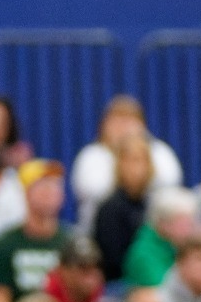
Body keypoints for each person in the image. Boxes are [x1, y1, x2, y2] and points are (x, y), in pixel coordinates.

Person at [70, 95, 183, 232]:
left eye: (129, 121)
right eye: (117, 121)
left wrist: (137, 146)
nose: (123, 128)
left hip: (152, 230)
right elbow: (94, 188)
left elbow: (170, 181)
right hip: (97, 231)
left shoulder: (158, 151)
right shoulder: (92, 154)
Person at [0, 159, 70, 302]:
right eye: (43, 186)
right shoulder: (5, 244)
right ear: (25, 193)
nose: (50, 191)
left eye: (55, 185)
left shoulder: (72, 241)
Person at [125, 188, 201, 291]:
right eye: (184, 222)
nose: (192, 227)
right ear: (164, 224)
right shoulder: (143, 255)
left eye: (192, 221)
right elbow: (165, 295)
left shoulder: (182, 245)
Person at [93, 133, 158, 282]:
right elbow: (113, 261)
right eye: (131, 161)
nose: (137, 168)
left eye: (142, 161)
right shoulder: (109, 209)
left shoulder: (153, 205)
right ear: (119, 165)